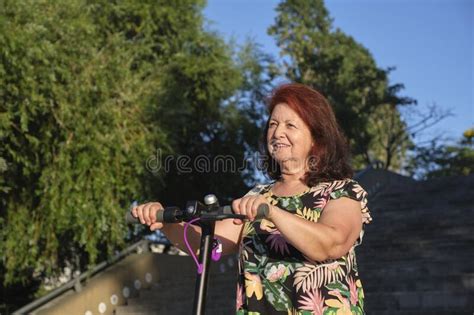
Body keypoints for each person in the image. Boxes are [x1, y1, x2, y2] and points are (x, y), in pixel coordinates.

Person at [132, 83, 372, 314]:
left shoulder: (343, 191)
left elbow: (332, 244)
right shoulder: (257, 196)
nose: (277, 132)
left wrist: (273, 212)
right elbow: (207, 244)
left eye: (291, 125)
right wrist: (166, 223)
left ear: (316, 138)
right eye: (273, 124)